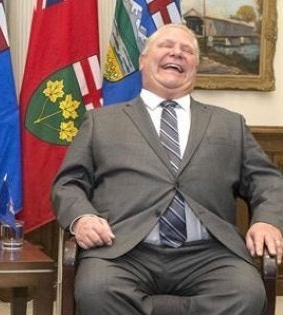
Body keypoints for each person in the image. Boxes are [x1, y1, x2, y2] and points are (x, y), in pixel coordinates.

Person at [52, 24, 283, 314]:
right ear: (143, 61)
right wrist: (82, 218)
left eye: (187, 50)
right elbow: (69, 182)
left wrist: (267, 221)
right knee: (97, 291)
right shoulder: (101, 122)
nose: (177, 52)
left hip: (209, 253)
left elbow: (267, 181)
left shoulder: (229, 124)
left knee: (246, 293)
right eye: (167, 46)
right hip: (123, 251)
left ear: (195, 67)